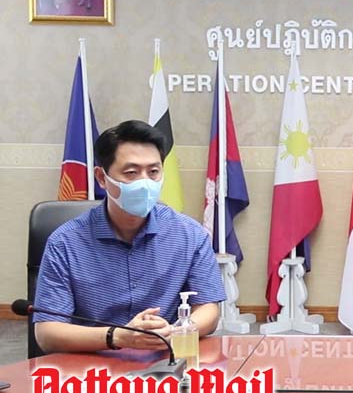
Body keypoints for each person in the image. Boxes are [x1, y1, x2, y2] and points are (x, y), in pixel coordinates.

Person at [34, 120, 226, 353]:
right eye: (131, 173)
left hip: (165, 357)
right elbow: (47, 333)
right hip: (94, 361)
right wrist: (119, 336)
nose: (144, 183)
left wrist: (175, 331)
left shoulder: (190, 234)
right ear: (102, 178)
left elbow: (208, 309)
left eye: (153, 172)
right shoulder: (65, 242)